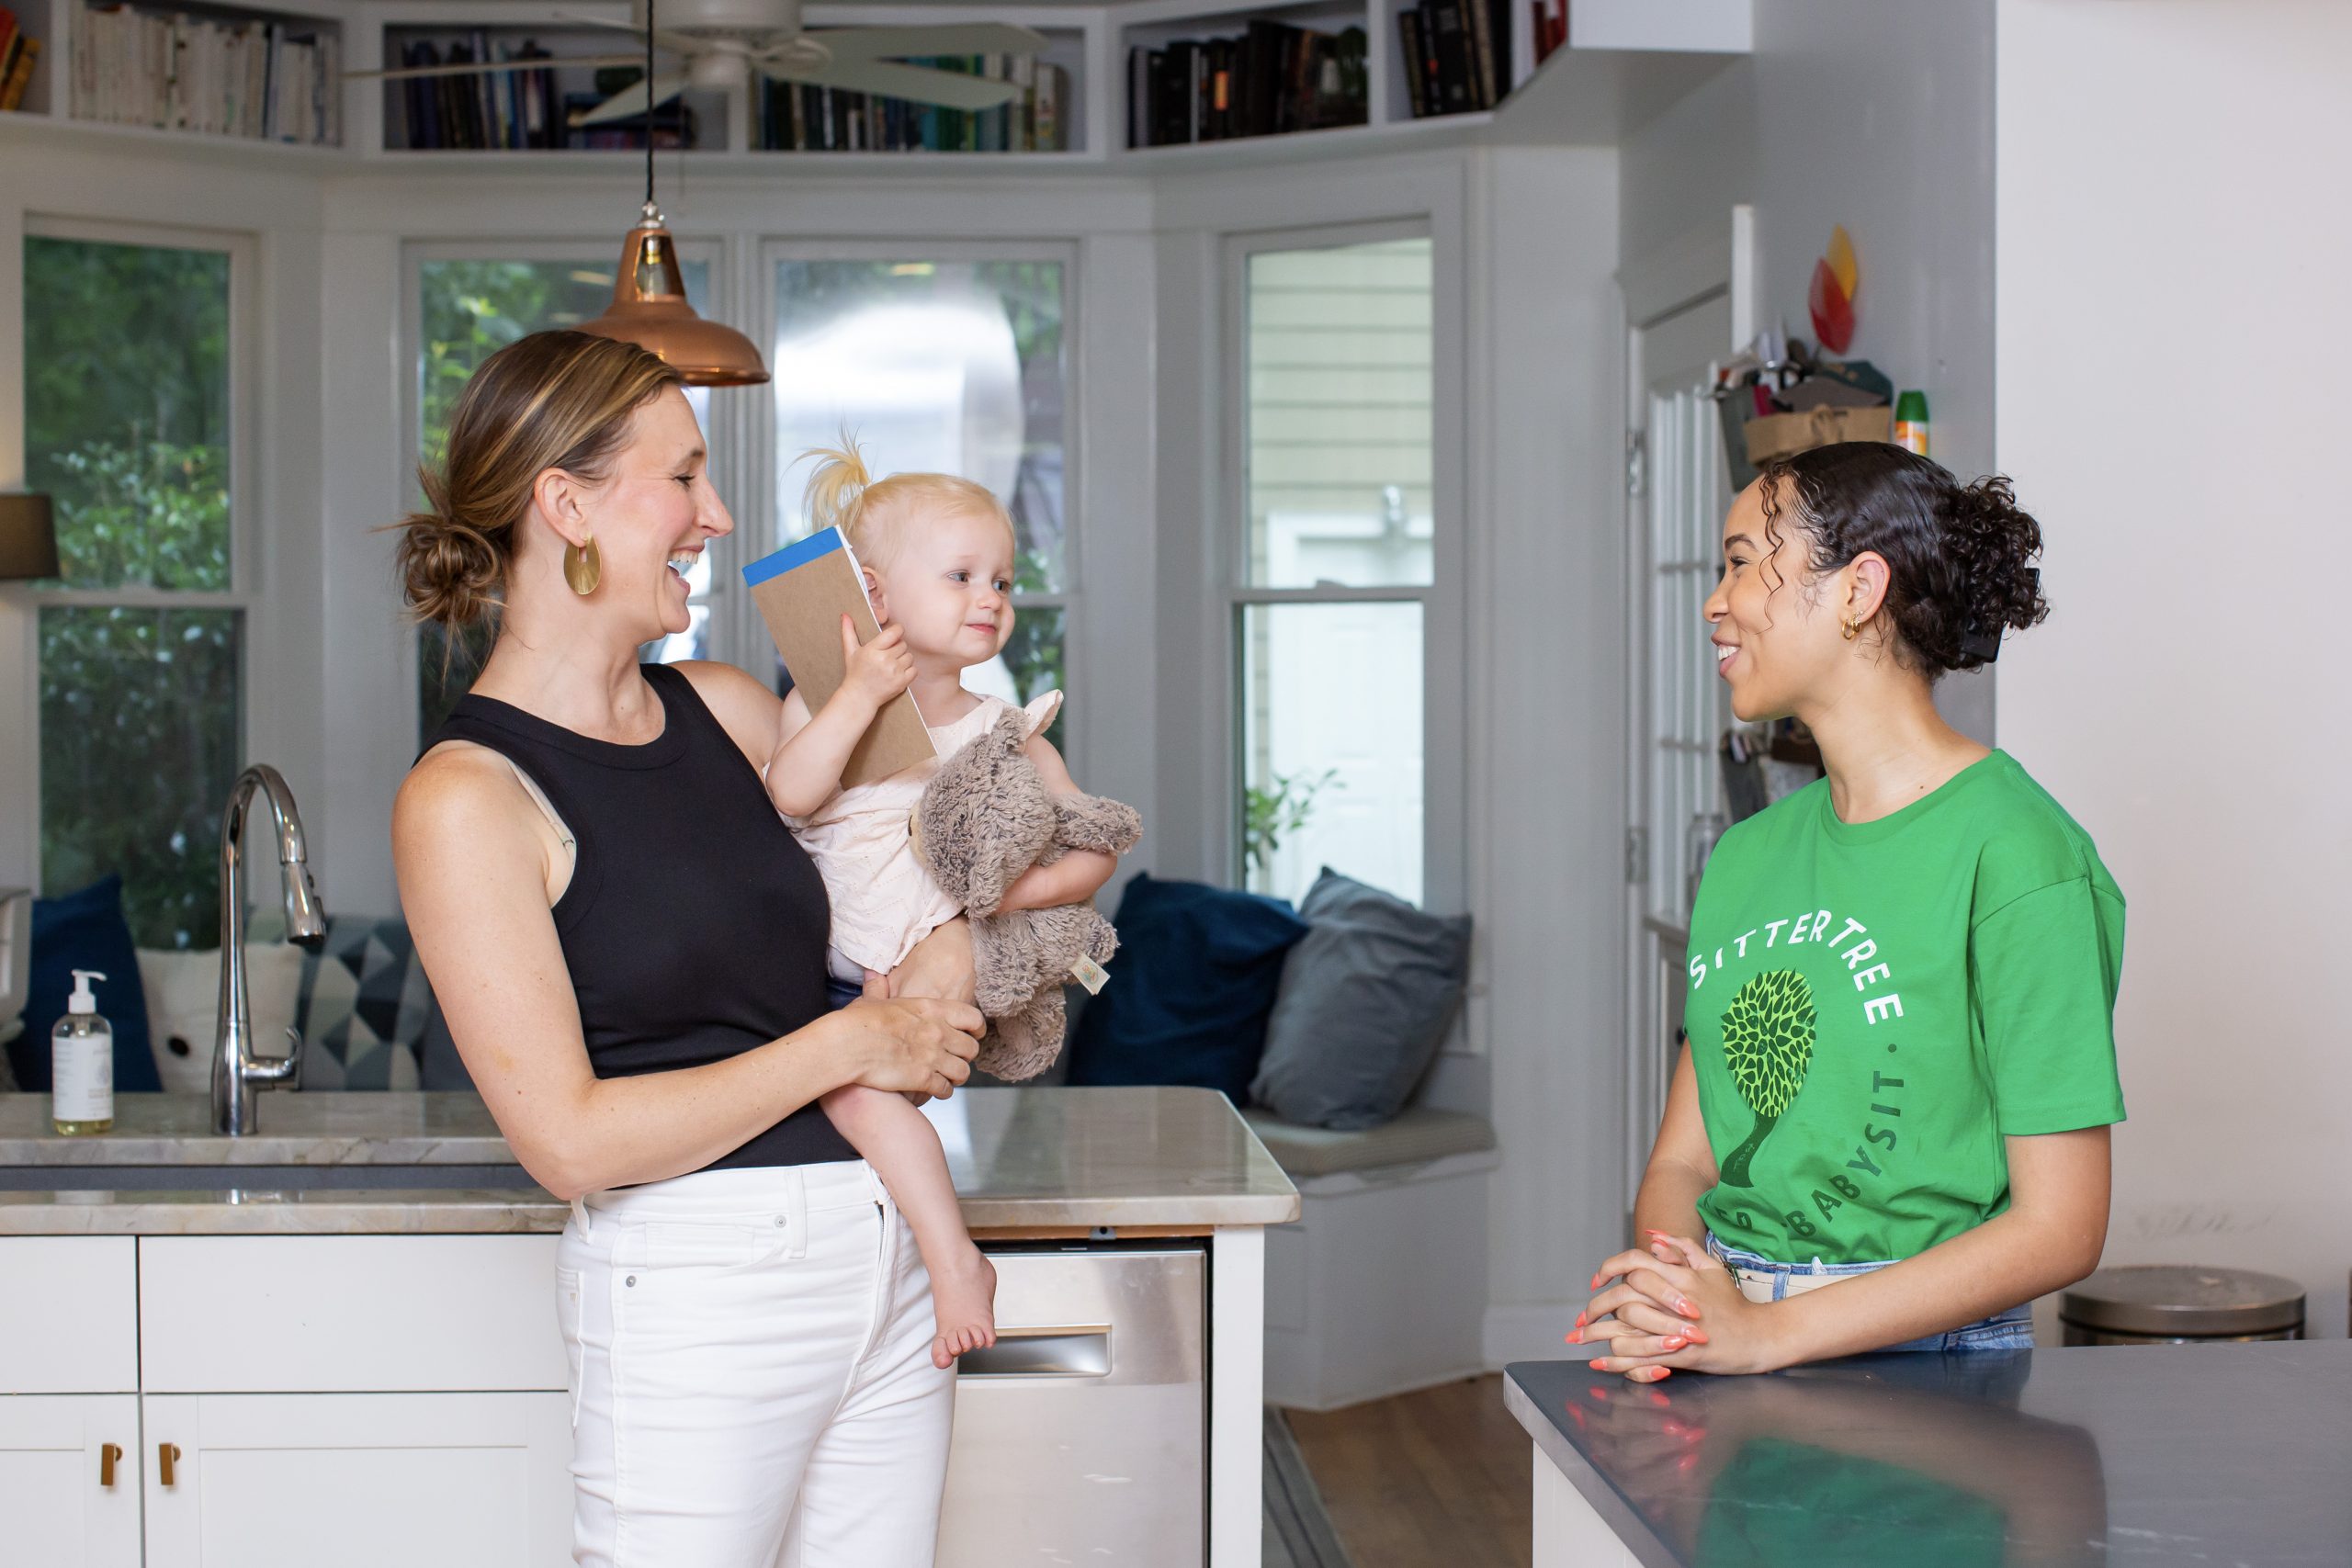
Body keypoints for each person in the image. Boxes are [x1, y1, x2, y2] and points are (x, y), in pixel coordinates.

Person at [390, 329, 984, 1566]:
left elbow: (918, 855)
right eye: (684, 477)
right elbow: (568, 1139)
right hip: (701, 1286)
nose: (715, 514)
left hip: (887, 1247)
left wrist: (937, 975)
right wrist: (850, 1039)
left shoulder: (720, 705)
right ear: (568, 505)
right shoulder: (469, 795)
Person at [1577, 442, 2124, 1382]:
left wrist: (1768, 1335)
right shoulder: (1748, 856)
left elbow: (2059, 1229)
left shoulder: (2020, 854)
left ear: (1857, 589)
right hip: (1726, 1331)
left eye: (1743, 561)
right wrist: (1683, 1303)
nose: (1715, 599)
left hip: (1928, 1369)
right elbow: (1683, 1162)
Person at [766, 438, 1122, 1370]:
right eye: (962, 575)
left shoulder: (1000, 732)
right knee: (836, 1089)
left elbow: (1094, 845)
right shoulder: (821, 704)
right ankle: (922, 1250)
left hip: (928, 961)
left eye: (1001, 580)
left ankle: (953, 1257)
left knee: (863, 1092)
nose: (991, 598)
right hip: (824, 974)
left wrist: (1015, 892)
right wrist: (860, 695)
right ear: (876, 597)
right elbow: (791, 795)